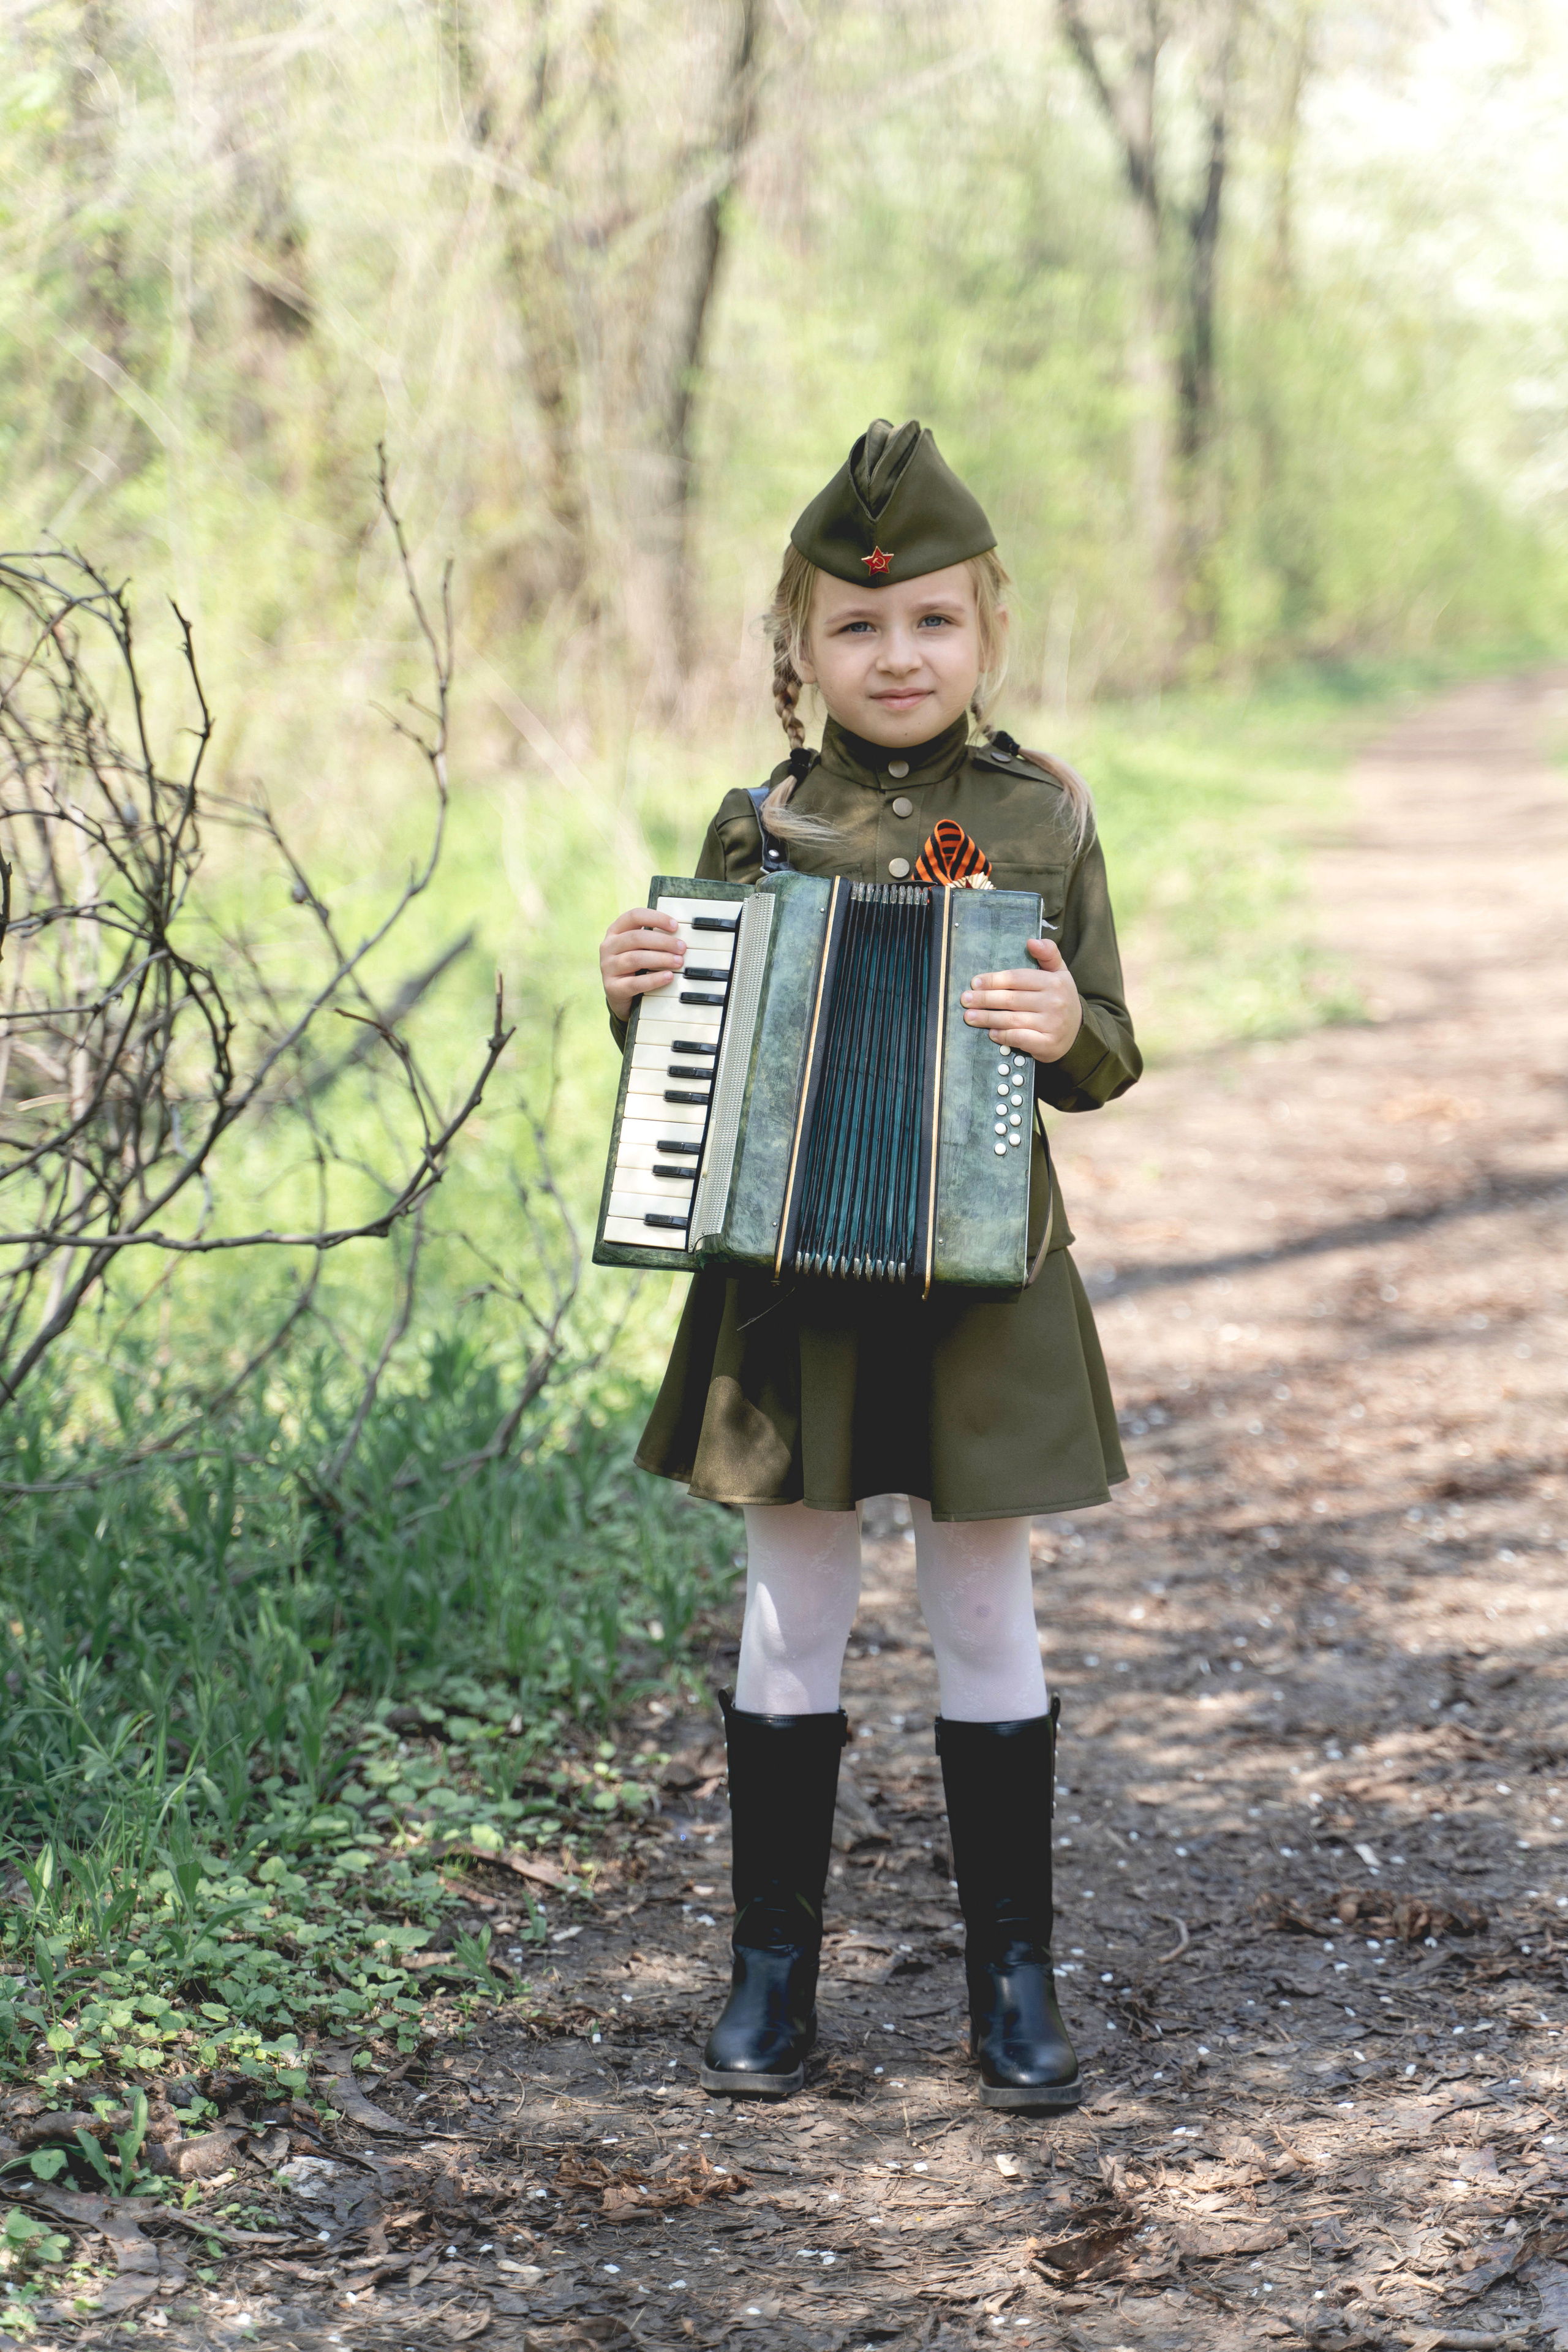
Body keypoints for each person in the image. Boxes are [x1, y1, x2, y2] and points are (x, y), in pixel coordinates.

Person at [596, 420, 1140, 2111]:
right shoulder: (759, 826)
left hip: (986, 1292)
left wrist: (1066, 1026)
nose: (895, 655)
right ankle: (773, 1979)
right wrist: (641, 1004)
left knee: (986, 1606)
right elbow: (707, 1062)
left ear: (987, 634)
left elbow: (1108, 1045)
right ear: (797, 643)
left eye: (931, 624)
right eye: (854, 624)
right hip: (792, 1294)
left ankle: (1014, 1982)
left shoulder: (1039, 813)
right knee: (793, 1602)